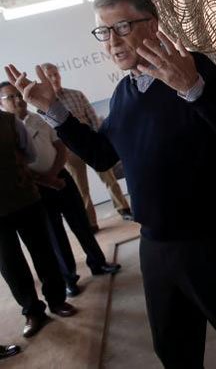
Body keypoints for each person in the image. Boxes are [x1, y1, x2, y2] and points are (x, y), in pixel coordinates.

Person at [5, 0, 216, 368]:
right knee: (173, 347)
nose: (112, 42)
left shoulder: (193, 68)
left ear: (153, 25)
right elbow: (102, 155)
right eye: (103, 31)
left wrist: (192, 89)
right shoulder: (126, 92)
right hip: (154, 245)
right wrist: (53, 109)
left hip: (210, 240)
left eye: (123, 26)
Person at [0, 82, 121, 297]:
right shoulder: (7, 128)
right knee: (55, 235)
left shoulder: (39, 117)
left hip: (61, 178)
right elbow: (16, 164)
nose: (18, 100)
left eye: (18, 95)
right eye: (10, 97)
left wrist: (55, 175)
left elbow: (60, 147)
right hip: (36, 188)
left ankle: (98, 263)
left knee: (81, 223)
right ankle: (69, 278)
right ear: (2, 103)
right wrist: (46, 181)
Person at [0, 110, 76, 338]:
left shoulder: (9, 121)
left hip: (25, 199)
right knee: (10, 264)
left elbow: (30, 155)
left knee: (43, 252)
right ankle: (32, 312)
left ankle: (57, 300)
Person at [41, 63, 133, 232]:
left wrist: (100, 141)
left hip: (92, 144)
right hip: (69, 152)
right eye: (50, 76)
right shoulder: (44, 104)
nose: (54, 78)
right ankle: (91, 222)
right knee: (81, 188)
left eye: (56, 74)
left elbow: (92, 117)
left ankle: (124, 209)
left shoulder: (75, 95)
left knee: (110, 180)